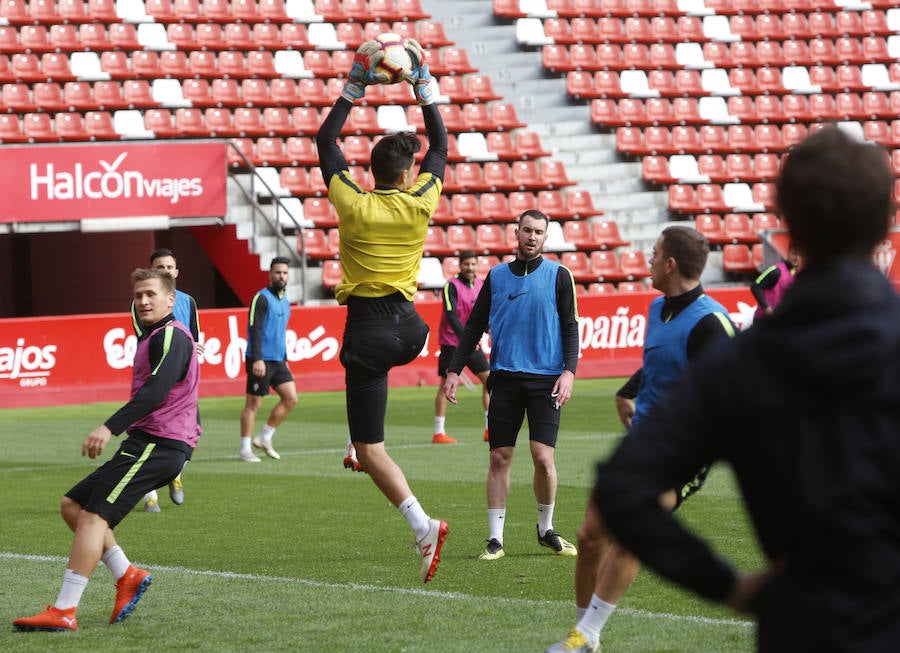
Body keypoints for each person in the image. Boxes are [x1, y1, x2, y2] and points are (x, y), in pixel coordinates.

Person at [592, 127, 900, 651]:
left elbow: (623, 490)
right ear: (887, 224)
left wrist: (728, 587)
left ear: (787, 227)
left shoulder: (743, 364)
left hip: (803, 624)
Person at [546, 225, 736, 653]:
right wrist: (627, 392)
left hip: (681, 452)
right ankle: (584, 635)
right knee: (591, 535)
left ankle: (586, 635)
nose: (647, 261)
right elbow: (658, 363)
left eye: (653, 255)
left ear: (670, 264)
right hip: (643, 439)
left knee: (633, 531)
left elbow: (737, 389)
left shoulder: (711, 323)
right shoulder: (656, 308)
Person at [316, 38, 449, 583]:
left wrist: (355, 82)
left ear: (367, 173)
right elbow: (439, 142)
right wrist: (421, 82)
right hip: (412, 330)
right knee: (366, 410)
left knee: (371, 450)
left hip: (369, 333)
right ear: (406, 174)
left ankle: (423, 526)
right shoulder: (420, 203)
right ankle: (357, 437)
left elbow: (326, 139)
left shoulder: (353, 202)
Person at [13, 268, 201, 632]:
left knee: (92, 518)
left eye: (150, 294)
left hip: (156, 444)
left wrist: (108, 426)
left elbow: (157, 391)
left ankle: (65, 610)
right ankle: (126, 574)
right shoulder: (156, 337)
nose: (143, 301)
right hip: (148, 442)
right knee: (74, 505)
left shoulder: (172, 336)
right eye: (138, 296)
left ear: (170, 300)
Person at [443, 209, 580, 561]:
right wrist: (455, 370)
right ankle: (495, 539)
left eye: (538, 232)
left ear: (545, 238)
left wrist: (569, 372)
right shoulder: (497, 276)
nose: (532, 237)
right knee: (500, 457)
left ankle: (545, 529)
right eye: (526, 230)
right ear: (515, 233)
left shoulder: (560, 276)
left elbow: (570, 326)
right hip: (504, 377)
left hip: (546, 379)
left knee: (543, 457)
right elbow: (473, 326)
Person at [132, 248, 202, 511]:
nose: (165, 271)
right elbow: (146, 336)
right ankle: (150, 493)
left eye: (169, 267)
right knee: (149, 434)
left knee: (190, 434)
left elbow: (194, 337)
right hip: (157, 376)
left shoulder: (189, 301)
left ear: (176, 272)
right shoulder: (143, 302)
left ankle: (175, 474)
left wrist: (193, 348)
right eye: (159, 268)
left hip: (182, 383)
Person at [239, 256, 297, 462]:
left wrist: (285, 358)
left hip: (279, 360)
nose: (281, 276)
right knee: (253, 404)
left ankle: (265, 436)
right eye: (278, 272)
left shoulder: (285, 301)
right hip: (260, 359)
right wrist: (257, 359)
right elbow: (255, 329)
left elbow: (280, 332)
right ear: (270, 274)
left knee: (291, 398)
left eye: (284, 273)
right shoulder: (261, 298)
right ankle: (245, 449)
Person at [433, 249, 490, 445]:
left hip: (471, 342)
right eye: (466, 264)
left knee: (490, 381)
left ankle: (489, 429)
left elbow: (483, 313)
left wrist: (489, 329)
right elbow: (450, 314)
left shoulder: (481, 284)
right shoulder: (451, 286)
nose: (470, 267)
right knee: (446, 385)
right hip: (452, 342)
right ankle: (439, 432)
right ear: (460, 265)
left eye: (473, 264)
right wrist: (467, 338)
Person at [749, 245, 802, 320]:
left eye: (800, 255)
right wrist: (767, 308)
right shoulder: (776, 270)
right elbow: (755, 286)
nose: (797, 258)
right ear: (788, 253)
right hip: (764, 320)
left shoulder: (800, 273)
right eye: (794, 254)